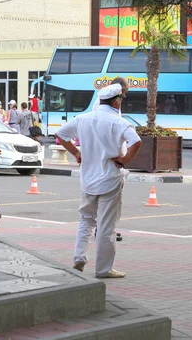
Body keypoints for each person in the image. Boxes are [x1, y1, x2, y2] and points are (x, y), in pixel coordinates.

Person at [56, 83, 142, 279]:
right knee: (106, 226)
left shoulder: (82, 119)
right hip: (111, 178)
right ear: (116, 101)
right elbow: (136, 142)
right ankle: (103, 269)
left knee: (86, 219)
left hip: (88, 179)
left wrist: (77, 153)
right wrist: (125, 160)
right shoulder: (119, 122)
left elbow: (61, 134)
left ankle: (79, 258)